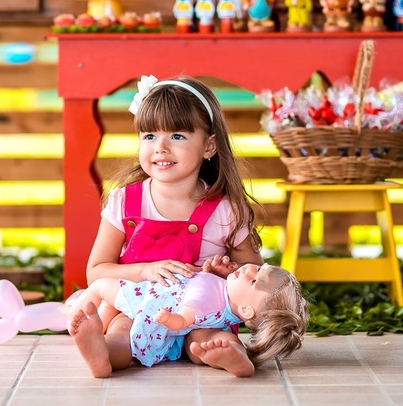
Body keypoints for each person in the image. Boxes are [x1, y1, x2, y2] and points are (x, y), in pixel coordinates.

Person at [80, 75, 265, 377]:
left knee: (208, 337)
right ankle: (103, 355)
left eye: (177, 136)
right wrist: (145, 271)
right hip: (138, 308)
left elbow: (255, 272)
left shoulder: (225, 209)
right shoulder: (125, 201)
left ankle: (228, 354)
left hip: (199, 312)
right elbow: (97, 271)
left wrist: (228, 271)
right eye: (149, 136)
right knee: (121, 330)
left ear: (209, 145)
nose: (161, 147)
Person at [65, 263, 307, 373]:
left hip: (152, 305)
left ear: (246, 311)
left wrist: (174, 320)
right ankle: (237, 354)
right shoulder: (222, 301)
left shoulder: (208, 294)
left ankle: (85, 321)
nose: (249, 268)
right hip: (182, 327)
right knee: (216, 338)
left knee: (100, 287)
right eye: (259, 268)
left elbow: (189, 312)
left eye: (255, 280)